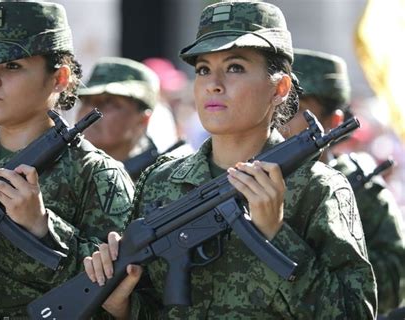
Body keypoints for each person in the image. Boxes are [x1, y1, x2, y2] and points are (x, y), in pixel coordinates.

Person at [83, 1, 377, 319]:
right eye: (203, 70)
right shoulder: (161, 181)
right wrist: (122, 307)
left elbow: (356, 313)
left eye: (235, 67)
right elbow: (155, 307)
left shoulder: (319, 188)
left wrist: (276, 235)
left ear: (280, 87)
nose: (213, 83)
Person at [0, 1, 133, 318]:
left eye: (12, 66)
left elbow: (123, 298)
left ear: (60, 77)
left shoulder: (99, 177)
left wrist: (41, 227)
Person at [284, 48, 405, 317]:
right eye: (279, 106)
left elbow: (393, 284)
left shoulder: (362, 190)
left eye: (297, 110)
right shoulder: (254, 174)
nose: (281, 120)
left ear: (334, 121)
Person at [77, 57, 188, 181]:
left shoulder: (161, 182)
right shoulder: (66, 169)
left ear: (143, 120)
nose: (90, 111)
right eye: (86, 101)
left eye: (108, 103)